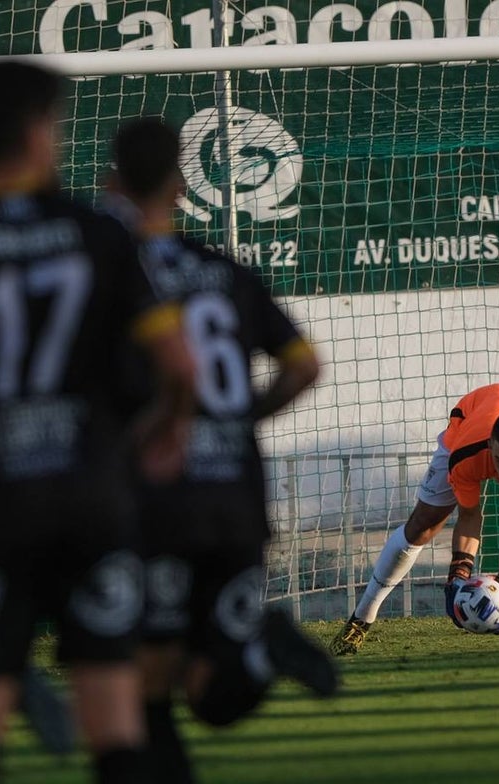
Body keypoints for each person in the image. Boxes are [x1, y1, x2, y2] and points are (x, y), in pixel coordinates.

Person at [0, 63, 196, 784]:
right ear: (41, 128)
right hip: (93, 499)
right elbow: (180, 367)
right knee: (114, 718)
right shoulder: (101, 235)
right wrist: (166, 428)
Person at [104, 117, 338, 783]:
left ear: (112, 183)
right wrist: (239, 421)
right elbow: (303, 366)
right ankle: (263, 653)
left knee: (147, 690)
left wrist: (161, 429)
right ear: (181, 186)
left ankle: (262, 649)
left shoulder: (114, 271)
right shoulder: (223, 270)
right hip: (236, 493)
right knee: (209, 691)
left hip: (161, 496)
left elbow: (160, 376)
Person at [329, 383, 499, 655]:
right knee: (425, 523)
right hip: (471, 417)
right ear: (490, 447)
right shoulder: (467, 457)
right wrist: (457, 576)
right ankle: (360, 620)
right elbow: (470, 515)